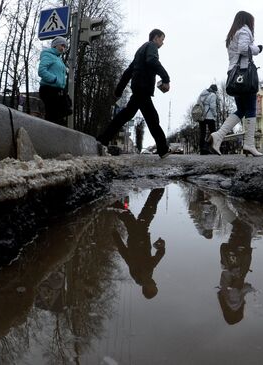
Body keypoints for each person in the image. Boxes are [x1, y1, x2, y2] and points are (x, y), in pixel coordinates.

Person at [98, 29, 172, 158]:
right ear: (155, 38)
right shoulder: (151, 46)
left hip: (138, 88)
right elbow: (152, 61)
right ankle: (163, 149)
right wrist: (166, 78)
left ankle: (103, 139)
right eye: (162, 39)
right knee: (152, 119)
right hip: (143, 89)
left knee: (126, 115)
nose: (162, 43)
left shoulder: (140, 50)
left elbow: (128, 71)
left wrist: (118, 90)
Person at [208, 11, 263, 157]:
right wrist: (257, 49)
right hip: (245, 74)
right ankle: (249, 145)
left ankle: (218, 136)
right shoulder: (245, 30)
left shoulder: (232, 34)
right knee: (251, 108)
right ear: (247, 21)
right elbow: (244, 49)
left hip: (233, 74)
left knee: (241, 109)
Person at [112, 188, 166, 299]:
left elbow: (126, 254)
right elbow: (125, 255)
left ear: (147, 288)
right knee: (133, 215)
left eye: (154, 287)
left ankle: (159, 189)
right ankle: (111, 202)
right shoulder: (140, 275)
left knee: (146, 212)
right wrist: (115, 236)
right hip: (137, 237)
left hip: (138, 237)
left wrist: (161, 248)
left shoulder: (143, 273)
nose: (155, 283)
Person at [217, 218, 254, 325]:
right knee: (237, 233)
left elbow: (236, 289)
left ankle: (238, 217)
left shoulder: (234, 304)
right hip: (229, 263)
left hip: (237, 265)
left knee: (245, 230)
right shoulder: (224, 300)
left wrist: (249, 289)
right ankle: (239, 217)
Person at [38, 36, 68, 126]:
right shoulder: (48, 55)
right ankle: (48, 137)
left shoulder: (58, 58)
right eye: (62, 45)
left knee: (58, 118)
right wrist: (55, 79)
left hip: (57, 91)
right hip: (48, 90)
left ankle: (54, 137)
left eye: (65, 46)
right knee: (53, 118)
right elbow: (41, 71)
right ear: (55, 45)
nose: (63, 48)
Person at [197, 84, 219, 155]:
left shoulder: (202, 93)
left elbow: (198, 103)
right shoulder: (213, 95)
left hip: (201, 116)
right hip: (209, 116)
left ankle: (202, 149)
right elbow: (212, 106)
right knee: (213, 132)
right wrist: (215, 114)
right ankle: (211, 147)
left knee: (202, 133)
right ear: (215, 90)